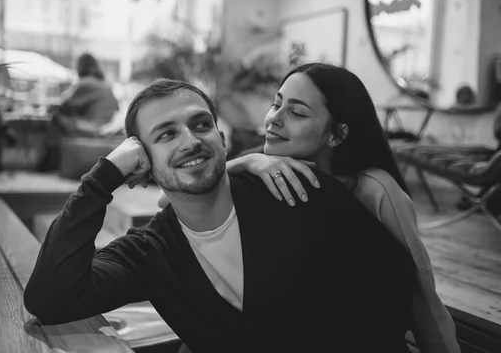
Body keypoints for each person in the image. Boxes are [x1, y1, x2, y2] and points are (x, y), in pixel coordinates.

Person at [24, 79, 417, 352]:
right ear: (141, 164)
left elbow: (394, 282)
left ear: (222, 139)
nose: (190, 140)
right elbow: (51, 299)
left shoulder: (295, 190)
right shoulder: (150, 253)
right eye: (166, 134)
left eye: (200, 125)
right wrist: (102, 179)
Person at [154, 62, 456, 353]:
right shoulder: (263, 171)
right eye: (276, 104)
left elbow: (422, 295)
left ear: (336, 134)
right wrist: (248, 161)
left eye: (297, 112)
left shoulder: (375, 189)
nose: (275, 118)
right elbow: (167, 202)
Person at [38, 53, 119, 171]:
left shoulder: (86, 83)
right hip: (106, 127)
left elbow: (62, 104)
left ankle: (48, 161)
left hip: (91, 128)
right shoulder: (106, 85)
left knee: (56, 118)